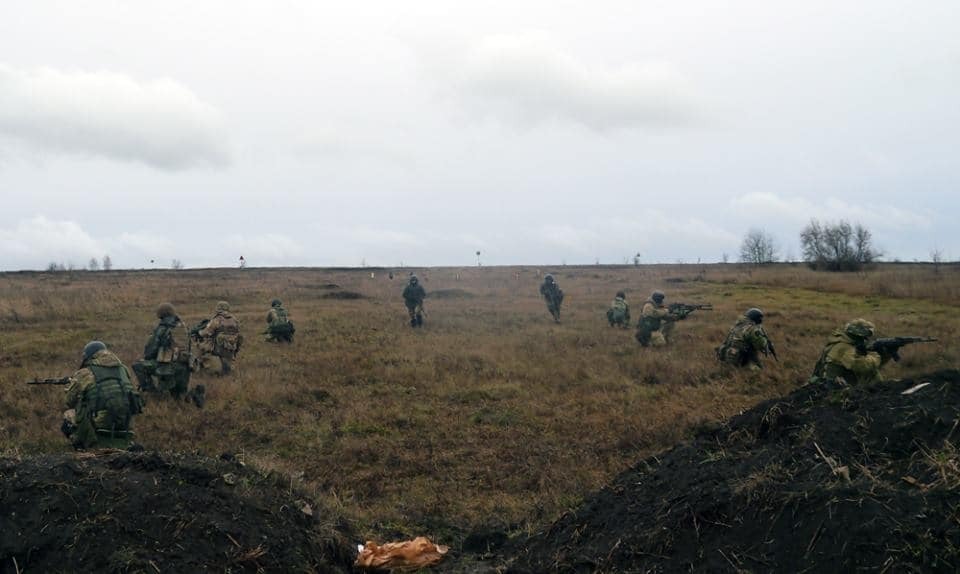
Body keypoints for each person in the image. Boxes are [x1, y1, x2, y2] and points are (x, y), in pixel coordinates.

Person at [62, 341, 144, 450]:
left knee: (69, 415)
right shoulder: (123, 369)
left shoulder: (84, 373)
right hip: (126, 421)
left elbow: (69, 401)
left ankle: (81, 446)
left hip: (100, 423)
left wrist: (71, 385)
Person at [132, 302, 192, 399]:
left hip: (168, 367)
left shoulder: (162, 328)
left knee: (137, 365)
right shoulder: (183, 327)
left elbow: (150, 351)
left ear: (161, 314)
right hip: (185, 368)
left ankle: (152, 392)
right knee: (179, 397)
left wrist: (148, 358)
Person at [811, 318, 891, 385]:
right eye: (864, 337)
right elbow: (864, 367)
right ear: (858, 336)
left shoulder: (842, 342)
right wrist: (876, 355)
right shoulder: (845, 348)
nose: (866, 340)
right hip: (836, 388)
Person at [194, 301, 243, 375]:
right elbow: (238, 332)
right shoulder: (234, 320)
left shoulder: (217, 319)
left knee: (199, 347)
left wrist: (199, 333)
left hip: (218, 347)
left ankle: (200, 369)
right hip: (231, 347)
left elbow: (207, 332)